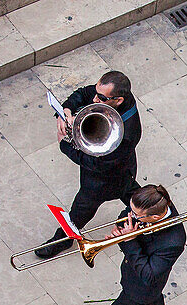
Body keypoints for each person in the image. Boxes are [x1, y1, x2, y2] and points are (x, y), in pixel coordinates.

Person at [36, 71, 141, 259]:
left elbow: (96, 165)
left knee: (80, 211)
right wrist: (66, 110)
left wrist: (64, 146)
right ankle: (149, 213)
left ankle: (62, 240)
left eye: (100, 98)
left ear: (118, 100)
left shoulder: (128, 134)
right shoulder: (110, 93)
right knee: (135, 197)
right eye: (97, 92)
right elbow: (83, 93)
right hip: (120, 170)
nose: (94, 99)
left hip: (104, 180)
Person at [100, 184, 186, 305]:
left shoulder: (173, 242)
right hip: (145, 282)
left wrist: (128, 241)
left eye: (136, 214)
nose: (130, 215)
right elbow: (125, 217)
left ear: (155, 217)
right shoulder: (154, 204)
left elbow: (148, 275)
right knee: (153, 299)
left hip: (143, 285)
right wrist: (121, 234)